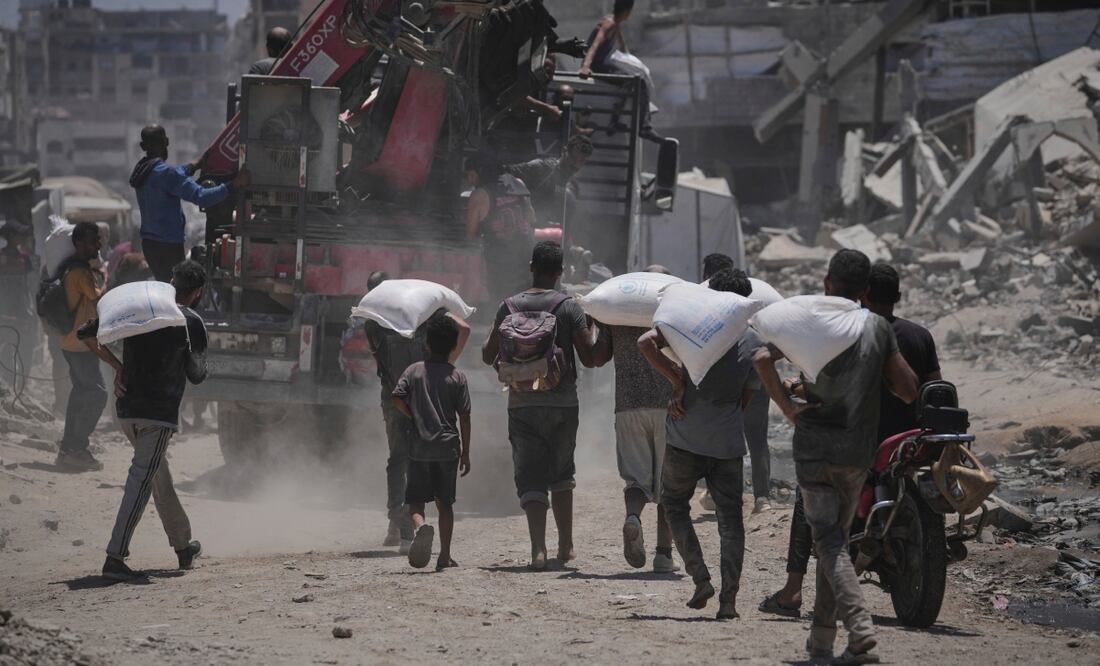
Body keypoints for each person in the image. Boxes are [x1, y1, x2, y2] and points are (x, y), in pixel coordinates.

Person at [752, 249, 918, 663]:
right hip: (857, 454)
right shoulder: (877, 328)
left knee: (829, 543)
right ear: (864, 291)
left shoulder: (811, 325)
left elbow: (759, 358)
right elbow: (909, 389)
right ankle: (823, 643)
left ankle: (859, 630)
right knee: (835, 543)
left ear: (827, 283)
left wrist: (788, 408)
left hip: (814, 450)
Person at [637, 268, 761, 620]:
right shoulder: (753, 341)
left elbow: (645, 342)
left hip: (685, 436)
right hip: (728, 446)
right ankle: (729, 602)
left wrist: (677, 380)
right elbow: (747, 397)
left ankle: (701, 578)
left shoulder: (692, 327)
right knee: (731, 522)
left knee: (674, 504)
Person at [79, 260, 210, 582]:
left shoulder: (141, 309)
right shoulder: (190, 320)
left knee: (156, 475)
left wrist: (116, 366)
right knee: (140, 480)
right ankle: (115, 557)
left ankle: (183, 545)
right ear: (197, 293)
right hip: (157, 414)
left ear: (170, 281)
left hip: (125, 409)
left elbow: (85, 334)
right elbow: (197, 375)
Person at [481, 241, 599, 570]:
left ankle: (538, 550)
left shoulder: (508, 306)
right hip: (563, 403)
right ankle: (566, 545)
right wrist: (593, 328)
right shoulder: (570, 308)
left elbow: (487, 356)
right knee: (562, 472)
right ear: (561, 272)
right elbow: (589, 359)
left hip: (521, 403)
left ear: (531, 266)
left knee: (530, 474)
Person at [363, 271, 471, 551]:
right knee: (417, 460)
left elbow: (380, 363)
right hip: (425, 396)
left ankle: (398, 528)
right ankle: (409, 529)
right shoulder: (422, 316)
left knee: (397, 459)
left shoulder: (372, 326)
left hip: (394, 398)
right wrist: (447, 364)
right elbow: (464, 328)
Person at [591, 265, 678, 574]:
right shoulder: (673, 310)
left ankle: (633, 518)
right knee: (670, 482)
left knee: (635, 479)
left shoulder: (618, 311)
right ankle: (664, 555)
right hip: (670, 405)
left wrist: (594, 322)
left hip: (628, 405)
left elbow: (598, 359)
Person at [392, 314, 472, 571]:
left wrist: (414, 415)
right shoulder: (457, 376)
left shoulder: (413, 371)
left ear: (426, 343)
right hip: (448, 447)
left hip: (419, 446)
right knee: (445, 503)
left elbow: (397, 398)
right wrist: (466, 453)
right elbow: (465, 417)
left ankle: (420, 526)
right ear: (452, 347)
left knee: (415, 500)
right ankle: (445, 555)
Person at [699, 253, 773, 514]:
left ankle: (719, 493)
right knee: (756, 437)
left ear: (706, 274)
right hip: (758, 372)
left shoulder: (705, 298)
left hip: (725, 378)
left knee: (719, 435)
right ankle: (762, 497)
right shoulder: (752, 294)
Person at [129, 125, 248, 282]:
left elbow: (171, 176)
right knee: (177, 292)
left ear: (144, 147)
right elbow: (201, 196)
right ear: (166, 142)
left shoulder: (143, 171)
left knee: (165, 287)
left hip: (150, 246)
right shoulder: (166, 174)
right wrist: (233, 185)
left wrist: (194, 165)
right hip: (168, 247)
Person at [54, 222, 107, 472]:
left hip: (71, 341)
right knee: (97, 394)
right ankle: (76, 448)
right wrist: (105, 276)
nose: (98, 245)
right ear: (78, 244)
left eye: (98, 240)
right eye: (92, 241)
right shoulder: (79, 273)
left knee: (81, 393)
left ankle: (69, 447)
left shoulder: (73, 269)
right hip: (81, 343)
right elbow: (100, 298)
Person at [579, 0, 662, 143]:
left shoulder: (615, 23)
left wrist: (634, 63)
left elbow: (623, 47)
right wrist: (585, 66)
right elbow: (594, 45)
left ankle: (615, 119)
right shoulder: (609, 23)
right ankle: (644, 127)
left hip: (604, 65)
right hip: (598, 67)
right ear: (627, 11)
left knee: (634, 78)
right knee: (639, 83)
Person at [465, 154, 536, 308]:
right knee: (526, 306)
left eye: (471, 175)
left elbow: (470, 235)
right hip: (528, 256)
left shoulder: (479, 195)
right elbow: (532, 219)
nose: (470, 181)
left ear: (481, 171)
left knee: (502, 307)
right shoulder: (519, 183)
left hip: (501, 262)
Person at [505, 134, 593, 228]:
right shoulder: (542, 168)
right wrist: (526, 204)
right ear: (564, 151)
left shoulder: (573, 187)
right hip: (518, 229)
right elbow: (505, 174)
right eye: (573, 158)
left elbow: (566, 226)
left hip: (546, 237)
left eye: (582, 161)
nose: (576, 165)